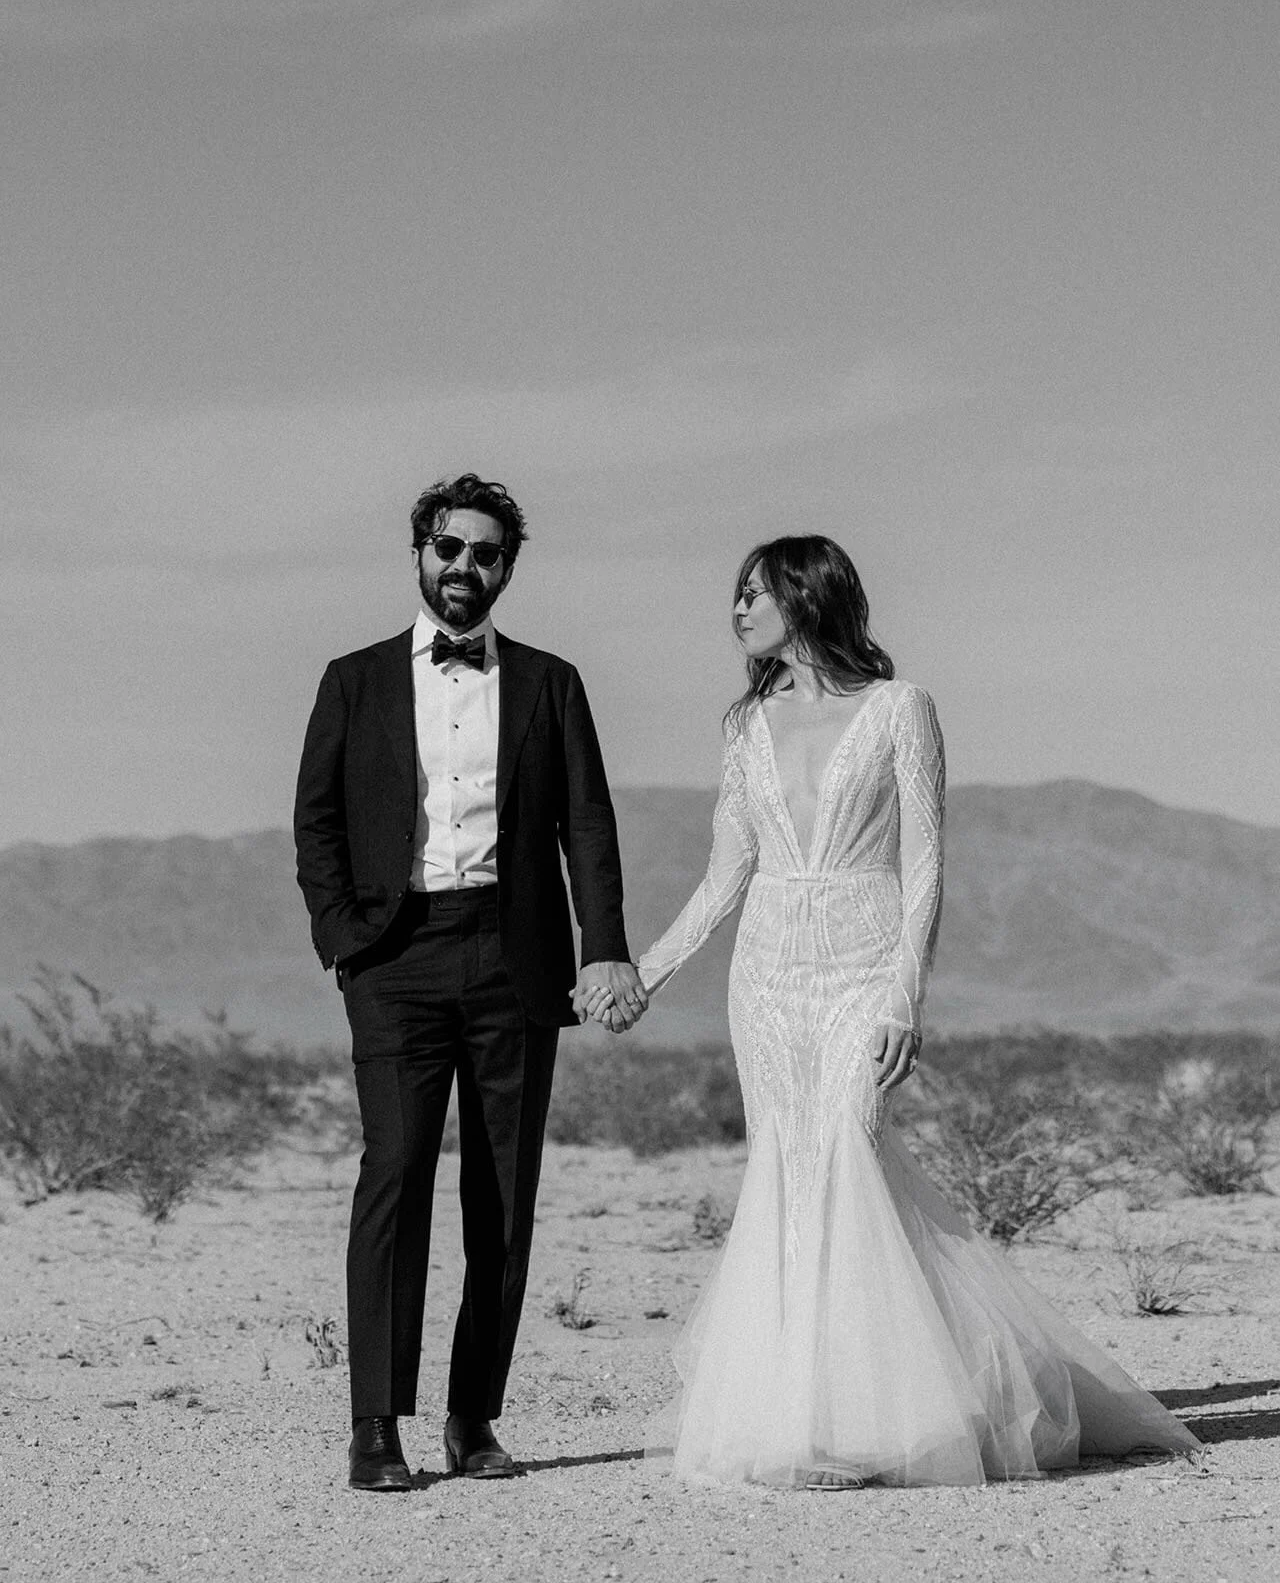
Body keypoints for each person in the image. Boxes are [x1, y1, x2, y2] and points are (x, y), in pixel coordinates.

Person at [580, 533, 1197, 1488]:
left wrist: (907, 994)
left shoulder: (902, 710)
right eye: (736, 595)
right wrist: (642, 974)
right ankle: (807, 1421)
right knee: (788, 1171)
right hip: (770, 975)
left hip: (866, 963)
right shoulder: (745, 724)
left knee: (852, 1152)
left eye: (755, 593)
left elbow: (926, 864)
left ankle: (895, 1412)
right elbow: (725, 873)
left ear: (807, 596)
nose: (737, 610)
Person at [294, 473, 647, 1492]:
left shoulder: (549, 682)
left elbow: (587, 824)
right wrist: (343, 941)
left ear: (506, 568)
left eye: (486, 554)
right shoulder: (352, 680)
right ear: (418, 553)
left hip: (512, 954)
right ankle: (375, 1425)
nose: (465, 568)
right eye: (450, 548)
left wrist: (603, 945)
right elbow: (314, 819)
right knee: (394, 1174)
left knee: (501, 1194)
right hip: (394, 957)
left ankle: (471, 1416)